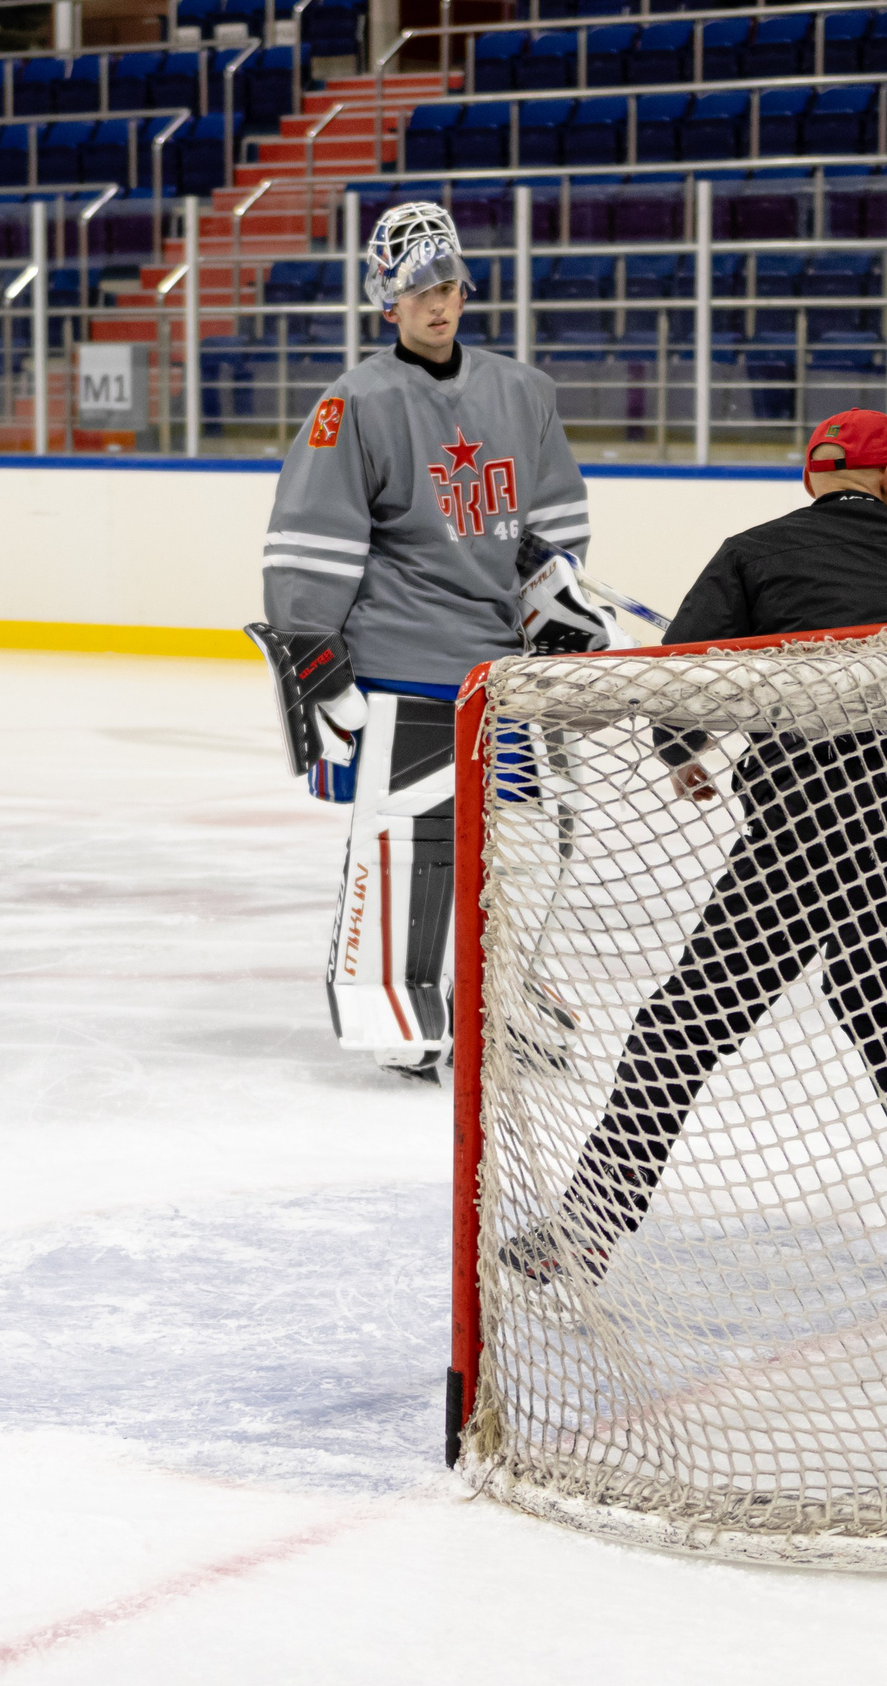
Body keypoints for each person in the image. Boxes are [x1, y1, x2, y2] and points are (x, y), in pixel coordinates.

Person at [504, 407, 887, 1284]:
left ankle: (590, 1225)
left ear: (811, 477)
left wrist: (682, 750)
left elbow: (684, 666)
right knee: (878, 983)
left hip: (809, 809)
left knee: (686, 1018)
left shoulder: (754, 552)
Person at [249, 202, 623, 1082]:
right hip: (403, 665)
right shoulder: (354, 403)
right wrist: (313, 650)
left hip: (499, 672)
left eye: (449, 285)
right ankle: (398, 999)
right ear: (387, 300)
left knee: (525, 845)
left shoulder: (522, 391)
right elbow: (309, 538)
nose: (439, 302)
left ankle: (505, 995)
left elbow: (552, 524)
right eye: (420, 289)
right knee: (410, 845)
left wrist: (553, 594)